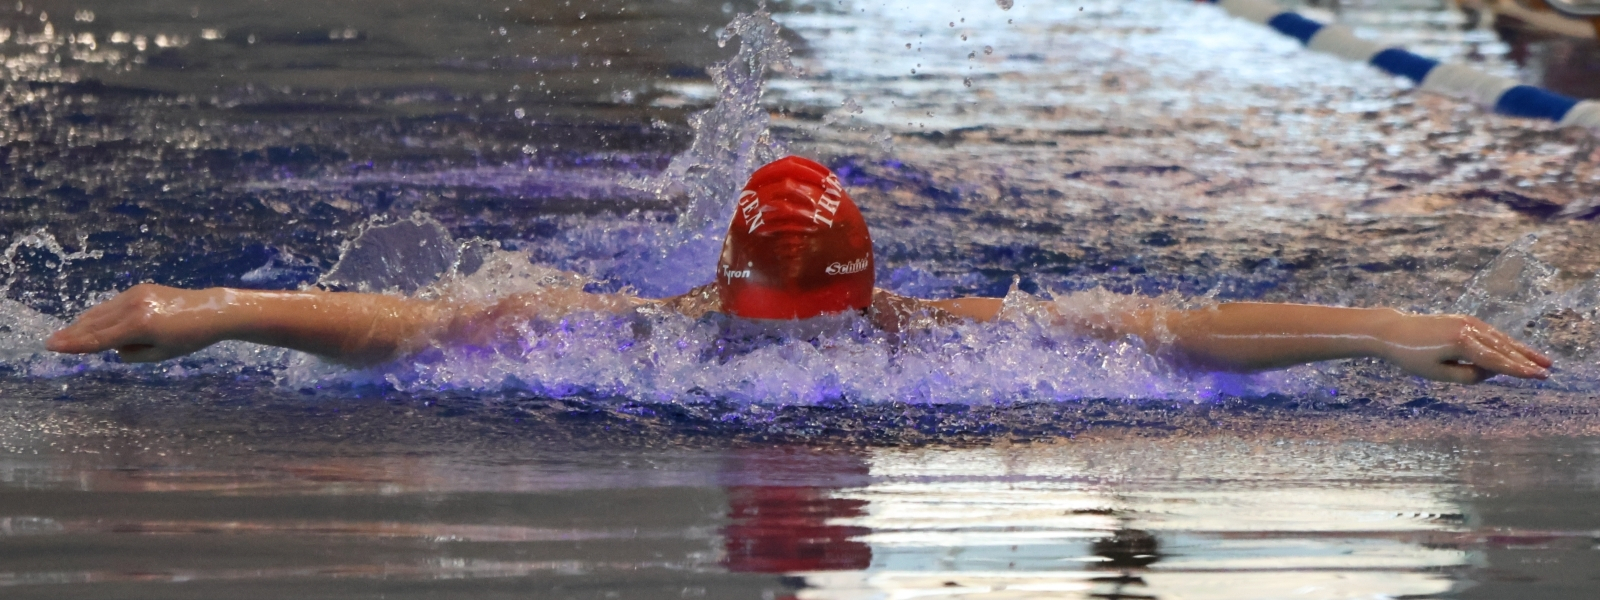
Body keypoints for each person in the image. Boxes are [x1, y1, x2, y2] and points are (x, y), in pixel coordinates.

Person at [46, 156, 1552, 384]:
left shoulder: (937, 327)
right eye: (772, 316)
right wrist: (193, 312)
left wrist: (1396, 326)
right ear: (725, 291)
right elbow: (394, 324)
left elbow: (1179, 326)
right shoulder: (616, 325)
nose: (783, 345)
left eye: (809, 318)